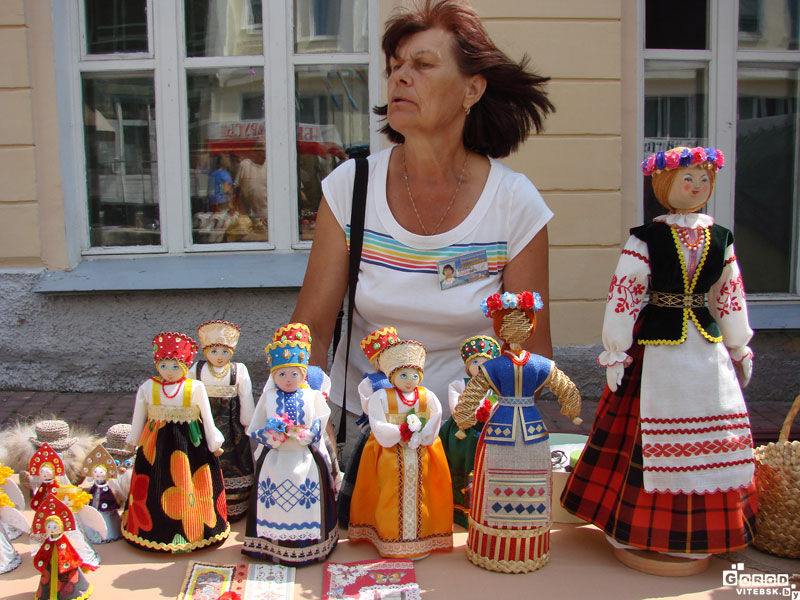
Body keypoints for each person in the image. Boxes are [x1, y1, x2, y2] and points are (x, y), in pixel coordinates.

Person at [290, 0, 555, 463]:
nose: (400, 77)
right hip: (370, 435)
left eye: (423, 64)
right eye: (395, 66)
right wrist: (310, 422)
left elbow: (531, 349)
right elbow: (310, 329)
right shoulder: (351, 188)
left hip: (474, 438)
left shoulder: (514, 202)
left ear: (472, 89)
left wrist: (505, 444)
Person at [561, 147, 757, 567]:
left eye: (704, 180)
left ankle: (702, 532)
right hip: (655, 344)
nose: (697, 187)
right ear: (665, 185)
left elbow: (729, 292)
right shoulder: (647, 237)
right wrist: (616, 349)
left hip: (705, 347)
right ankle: (633, 526)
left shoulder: (720, 237)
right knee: (641, 429)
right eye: (688, 179)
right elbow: (626, 290)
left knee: (713, 422)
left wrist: (738, 342)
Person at [453, 291, 581, 573]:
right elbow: (565, 387)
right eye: (511, 322)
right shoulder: (531, 365)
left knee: (513, 479)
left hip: (509, 431)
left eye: (520, 321)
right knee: (519, 480)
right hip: (526, 430)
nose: (516, 328)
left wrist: (464, 421)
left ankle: (506, 547)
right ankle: (512, 546)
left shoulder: (503, 365)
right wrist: (572, 410)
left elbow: (473, 393)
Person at [122, 332, 229, 553]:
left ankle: (196, 529)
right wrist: (133, 439)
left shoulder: (195, 387)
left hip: (190, 445)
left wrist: (213, 440)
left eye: (174, 367)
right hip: (155, 445)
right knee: (154, 483)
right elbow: (138, 416)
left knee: (191, 482)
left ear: (184, 366)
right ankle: (153, 530)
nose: (169, 372)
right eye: (163, 366)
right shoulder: (148, 387)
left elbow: (207, 418)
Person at [348, 337, 453, 559]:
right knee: (388, 493)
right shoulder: (381, 396)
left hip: (422, 452)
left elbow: (435, 418)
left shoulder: (427, 395)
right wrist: (399, 432)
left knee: (425, 493)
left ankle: (422, 538)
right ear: (392, 376)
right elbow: (377, 422)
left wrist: (421, 434)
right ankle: (389, 539)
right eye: (403, 375)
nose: (409, 381)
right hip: (389, 453)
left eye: (414, 375)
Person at [243, 323, 337, 566]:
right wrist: (270, 436)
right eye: (282, 374)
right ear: (273, 376)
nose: (287, 380)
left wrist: (309, 434)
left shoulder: (311, 395)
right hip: (276, 458)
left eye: (294, 374)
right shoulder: (269, 396)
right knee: (273, 500)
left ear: (303, 374)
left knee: (309, 494)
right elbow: (255, 427)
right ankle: (273, 544)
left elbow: (320, 421)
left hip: (304, 457)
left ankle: (309, 544)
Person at [189, 320, 255, 521]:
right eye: (214, 351)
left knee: (236, 460)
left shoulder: (238, 370)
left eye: (225, 351)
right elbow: (188, 394)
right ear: (205, 351)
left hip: (232, 426)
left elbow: (246, 396)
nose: (219, 356)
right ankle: (204, 503)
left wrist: (248, 422)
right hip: (203, 422)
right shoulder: (197, 369)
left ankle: (235, 504)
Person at [439, 334, 500, 527]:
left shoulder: (496, 388)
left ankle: (487, 509)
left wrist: (490, 412)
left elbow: (500, 405)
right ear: (468, 366)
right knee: (461, 463)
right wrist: (472, 415)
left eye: (485, 363)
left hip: (489, 430)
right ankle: (460, 510)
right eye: (475, 362)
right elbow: (456, 406)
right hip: (464, 431)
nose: (480, 367)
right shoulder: (460, 385)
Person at [31, 497, 96, 600]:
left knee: (68, 578)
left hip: (65, 563)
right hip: (51, 562)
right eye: (49, 527)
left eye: (54, 527)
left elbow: (70, 552)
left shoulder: (63, 540)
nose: (52, 530)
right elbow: (43, 552)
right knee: (49, 575)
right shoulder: (49, 541)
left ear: (60, 527)